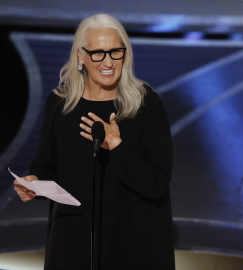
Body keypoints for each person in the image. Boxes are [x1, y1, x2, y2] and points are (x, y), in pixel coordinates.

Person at [13, 13, 175, 270]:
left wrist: (117, 147)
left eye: (115, 52)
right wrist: (34, 183)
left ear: (126, 53)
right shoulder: (61, 104)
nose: (108, 62)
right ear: (81, 56)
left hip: (132, 242)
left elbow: (157, 184)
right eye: (98, 53)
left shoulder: (145, 104)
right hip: (73, 241)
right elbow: (46, 165)